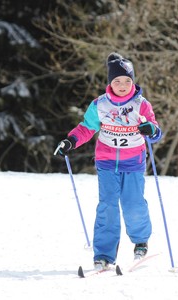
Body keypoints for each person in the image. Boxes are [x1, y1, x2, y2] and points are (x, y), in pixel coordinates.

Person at [55, 52, 162, 270]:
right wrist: (71, 141)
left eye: (127, 81)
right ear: (110, 82)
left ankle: (140, 242)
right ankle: (103, 255)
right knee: (107, 207)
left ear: (132, 81)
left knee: (133, 204)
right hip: (106, 162)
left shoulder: (141, 105)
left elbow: (155, 131)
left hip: (133, 161)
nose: (122, 85)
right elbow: (87, 128)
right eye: (117, 81)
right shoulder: (100, 105)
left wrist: (151, 130)